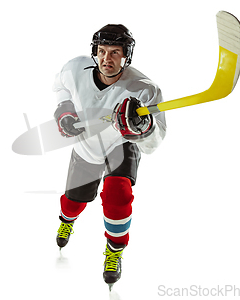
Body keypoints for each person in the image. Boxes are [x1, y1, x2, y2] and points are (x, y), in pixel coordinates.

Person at [52, 24, 166, 288]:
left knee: (118, 195)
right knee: (73, 201)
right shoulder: (74, 69)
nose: (107, 59)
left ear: (126, 56)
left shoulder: (144, 89)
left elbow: (154, 143)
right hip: (86, 144)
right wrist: (64, 110)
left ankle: (114, 252)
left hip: (121, 143)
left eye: (115, 52)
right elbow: (60, 87)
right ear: (94, 52)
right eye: (102, 51)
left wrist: (143, 129)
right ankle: (66, 220)